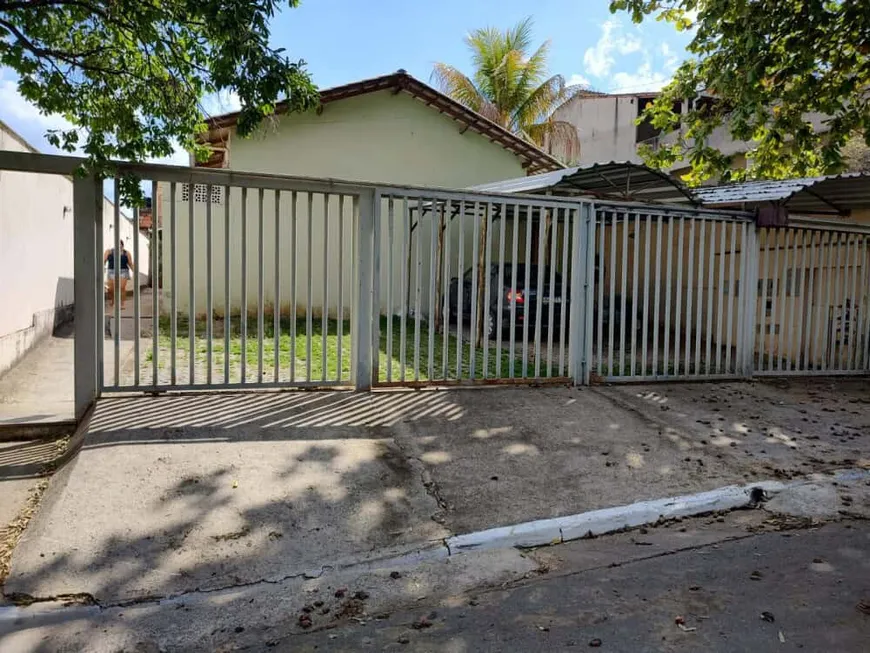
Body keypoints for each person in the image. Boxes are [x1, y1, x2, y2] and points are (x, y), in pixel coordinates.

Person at [104, 239, 135, 312]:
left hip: (123, 271)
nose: (118, 245)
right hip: (111, 271)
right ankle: (113, 301)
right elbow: (104, 260)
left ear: (122, 245)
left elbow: (130, 263)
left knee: (121, 287)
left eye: (120, 244)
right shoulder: (109, 251)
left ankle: (122, 303)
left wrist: (134, 271)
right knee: (111, 289)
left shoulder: (126, 253)